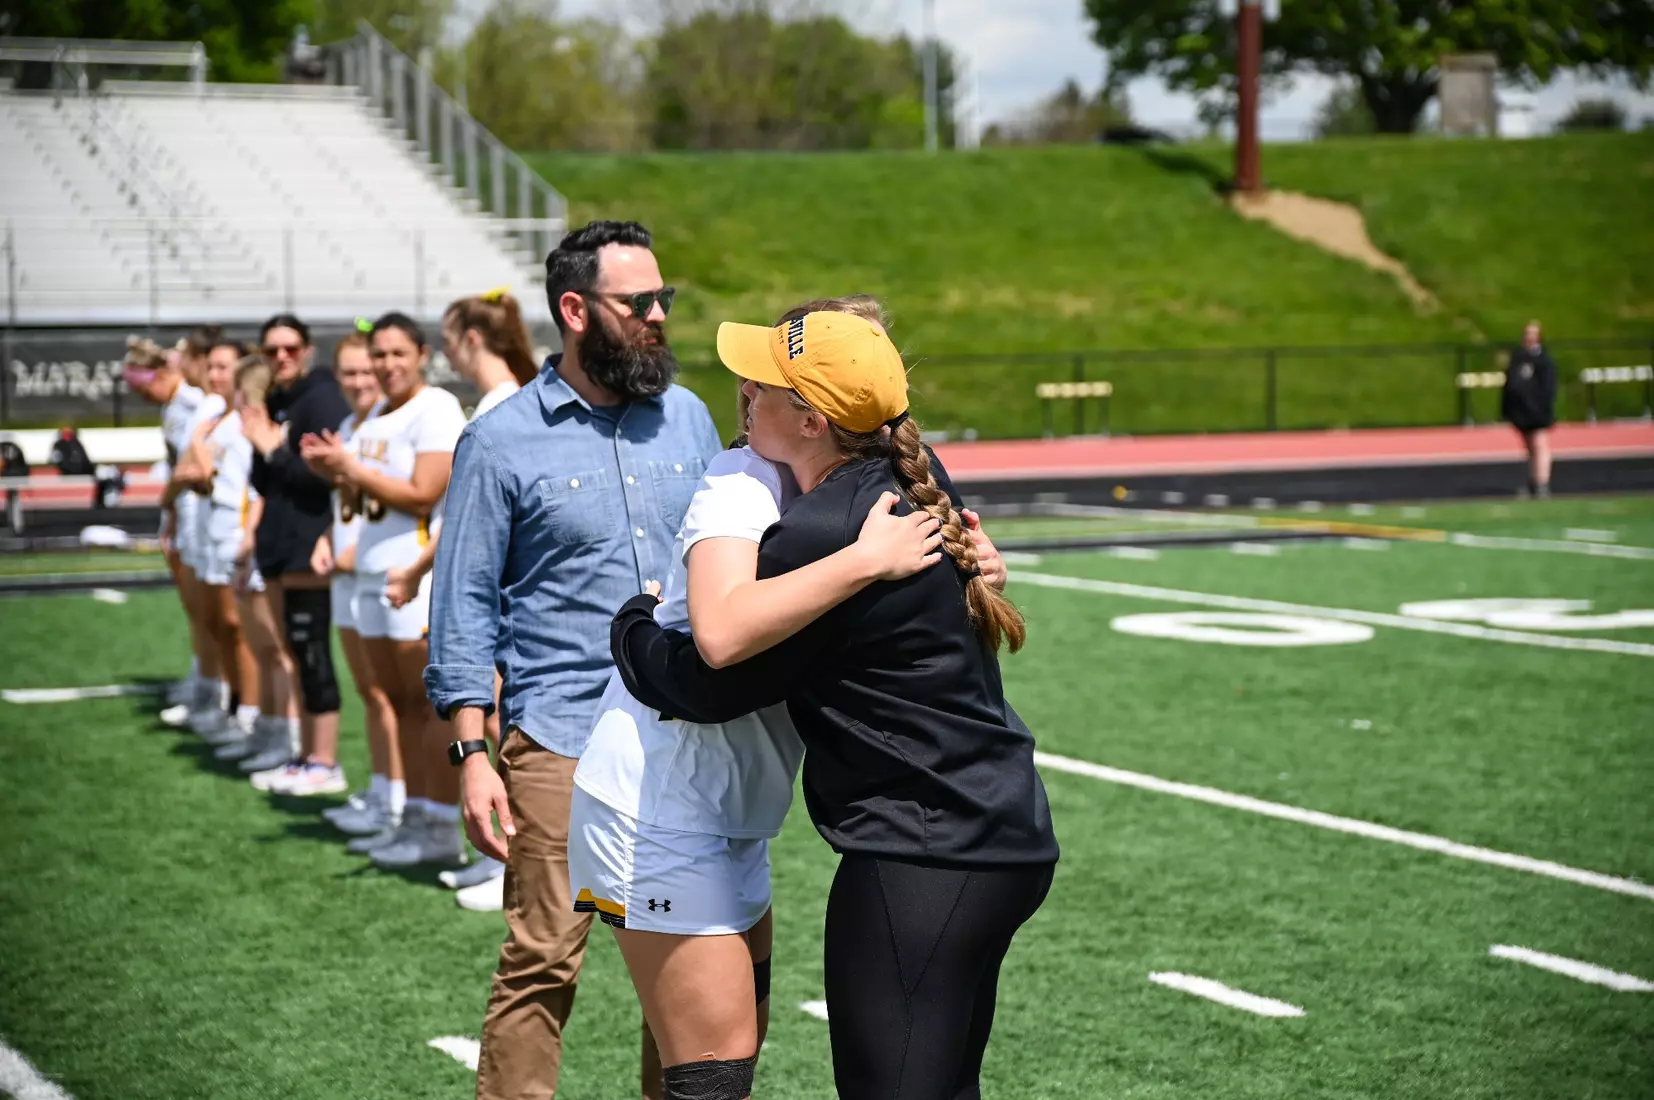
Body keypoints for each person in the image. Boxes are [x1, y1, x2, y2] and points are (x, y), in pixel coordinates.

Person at [611, 309, 1058, 1100]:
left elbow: (712, 679)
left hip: (923, 854)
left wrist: (635, 628)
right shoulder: (907, 472)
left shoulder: (826, 528)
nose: (745, 391)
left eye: (767, 387)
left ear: (813, 420)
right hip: (999, 829)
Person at [424, 220, 714, 1100]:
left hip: (690, 740)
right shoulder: (500, 440)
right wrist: (474, 758)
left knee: (691, 961)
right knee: (544, 960)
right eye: (640, 303)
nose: (660, 315)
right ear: (576, 310)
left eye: (666, 298)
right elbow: (463, 607)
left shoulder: (691, 418)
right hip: (560, 741)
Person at [383, 288, 539, 910]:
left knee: (504, 729)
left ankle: (512, 862)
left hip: (504, 589)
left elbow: (473, 517)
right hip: (506, 585)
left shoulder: (502, 408)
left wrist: (420, 566)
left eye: (448, 340)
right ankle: (501, 859)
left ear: (470, 340)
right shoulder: (510, 400)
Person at [300, 313, 468, 868]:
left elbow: (423, 494)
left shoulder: (435, 407)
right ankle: (408, 815)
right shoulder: (373, 414)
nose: (387, 365)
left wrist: (347, 466)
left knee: (425, 707)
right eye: (380, 355)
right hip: (370, 574)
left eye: (399, 353)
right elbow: (365, 494)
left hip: (410, 576)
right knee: (394, 704)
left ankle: (441, 827)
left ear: (421, 354)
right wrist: (334, 471)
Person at [238, 315, 351, 778]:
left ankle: (324, 762)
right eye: (271, 351)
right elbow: (265, 481)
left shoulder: (321, 398)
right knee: (294, 652)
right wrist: (263, 442)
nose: (280, 357)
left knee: (310, 652)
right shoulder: (277, 401)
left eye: (290, 348)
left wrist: (274, 450)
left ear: (307, 350)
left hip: (310, 544)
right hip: (280, 547)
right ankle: (305, 756)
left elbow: (324, 474)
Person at [312, 330, 405, 821]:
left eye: (365, 370)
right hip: (349, 576)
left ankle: (397, 799)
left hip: (383, 575)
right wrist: (329, 539)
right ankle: (381, 788)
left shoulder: (391, 424)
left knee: (392, 696)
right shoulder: (349, 424)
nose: (358, 380)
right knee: (370, 693)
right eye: (348, 372)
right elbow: (349, 508)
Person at [180, 340, 263, 744]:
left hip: (234, 532)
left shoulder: (243, 419)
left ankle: (248, 714)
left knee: (237, 629)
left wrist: (197, 443)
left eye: (224, 368)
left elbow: (212, 472)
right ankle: (232, 705)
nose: (215, 376)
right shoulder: (218, 417)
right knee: (218, 625)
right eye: (210, 367)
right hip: (212, 529)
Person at [120, 337, 204, 713]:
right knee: (195, 609)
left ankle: (209, 685)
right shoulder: (173, 406)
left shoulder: (193, 404)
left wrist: (166, 501)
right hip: (183, 513)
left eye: (143, 386)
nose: (142, 396)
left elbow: (190, 466)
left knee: (207, 610)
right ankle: (201, 676)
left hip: (199, 512)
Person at [1502, 319, 1559, 498]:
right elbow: (1510, 385)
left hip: (1538, 411)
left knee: (1540, 444)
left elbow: (1548, 388)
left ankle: (1543, 484)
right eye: (1526, 333)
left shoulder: (1544, 360)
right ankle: (1534, 482)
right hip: (1522, 412)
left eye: (1532, 334)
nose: (1528, 337)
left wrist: (1539, 406)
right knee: (1530, 448)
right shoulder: (1518, 358)